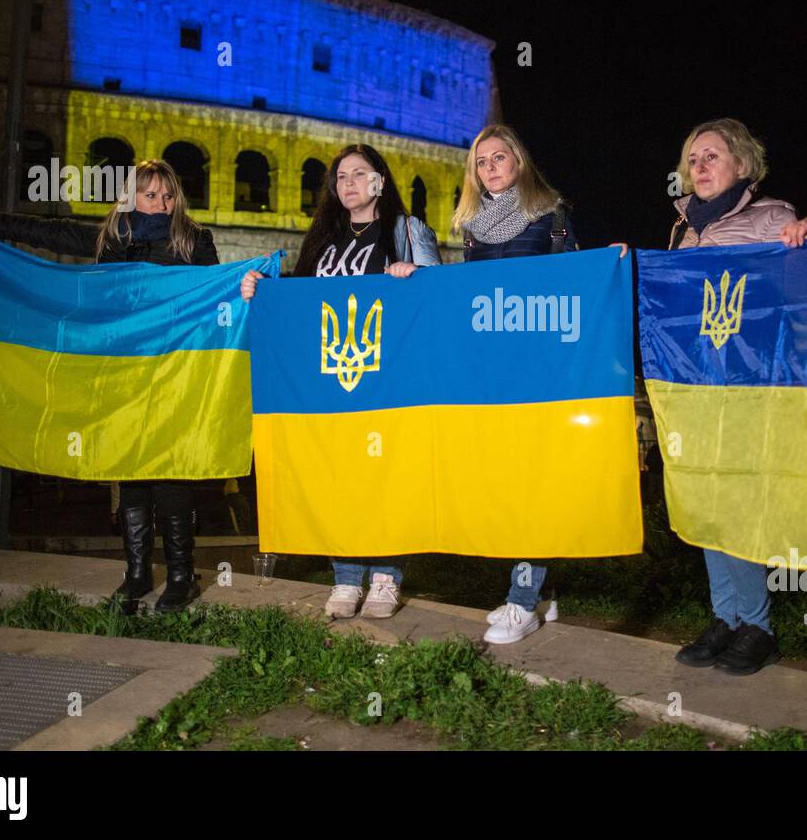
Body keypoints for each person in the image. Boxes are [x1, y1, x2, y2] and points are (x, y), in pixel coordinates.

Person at [0, 159, 219, 614]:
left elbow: (218, 293)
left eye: (168, 194)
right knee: (129, 470)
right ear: (130, 197)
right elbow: (48, 232)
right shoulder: (107, 239)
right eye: (149, 194)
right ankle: (137, 573)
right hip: (119, 375)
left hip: (172, 375)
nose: (160, 203)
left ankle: (181, 575)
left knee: (172, 470)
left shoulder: (194, 241)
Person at [241, 143, 439, 619]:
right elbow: (302, 298)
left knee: (386, 475)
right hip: (331, 376)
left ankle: (387, 577)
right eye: (340, 176)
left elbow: (440, 293)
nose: (348, 183)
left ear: (380, 181)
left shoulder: (406, 230)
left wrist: (416, 273)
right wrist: (262, 289)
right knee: (339, 476)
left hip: (390, 376)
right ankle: (346, 576)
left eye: (359, 173)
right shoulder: (324, 235)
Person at [662, 118, 807, 675]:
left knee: (737, 502)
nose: (699, 167)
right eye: (693, 158)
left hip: (748, 383)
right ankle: (725, 617)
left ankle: (757, 624)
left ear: (743, 165)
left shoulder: (772, 217)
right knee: (707, 500)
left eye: (712, 156)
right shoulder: (683, 228)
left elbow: (802, 288)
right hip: (694, 384)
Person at [447, 124, 583, 644]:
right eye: (481, 162)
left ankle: (522, 601)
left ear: (519, 162)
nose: (489, 168)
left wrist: (607, 264)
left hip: (540, 370)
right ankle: (540, 593)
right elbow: (469, 296)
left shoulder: (550, 214)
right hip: (493, 370)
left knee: (531, 485)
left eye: (499, 157)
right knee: (508, 482)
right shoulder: (473, 227)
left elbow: (574, 283)